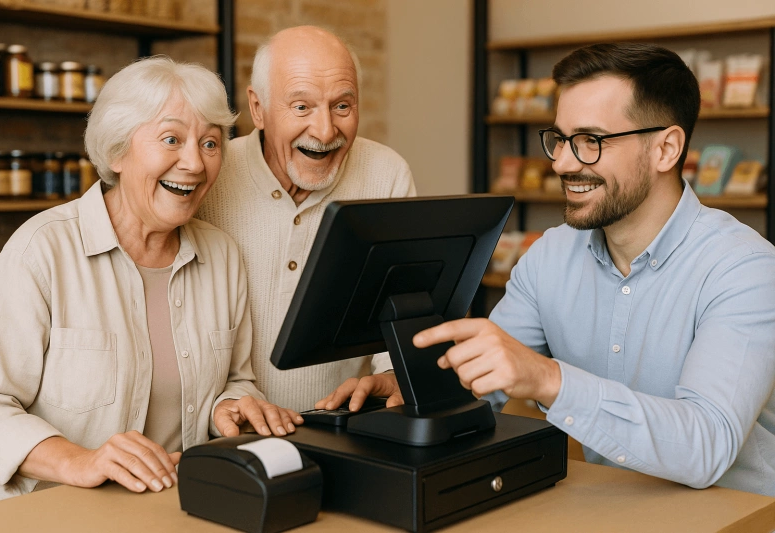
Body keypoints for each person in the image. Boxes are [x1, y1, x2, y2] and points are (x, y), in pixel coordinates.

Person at [414, 42, 775, 496]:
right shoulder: (550, 257)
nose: (562, 163)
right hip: (614, 506)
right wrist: (408, 388)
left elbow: (706, 444)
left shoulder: (745, 269)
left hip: (741, 518)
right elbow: (484, 385)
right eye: (561, 140)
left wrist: (549, 379)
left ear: (666, 149)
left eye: (591, 141)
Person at [0, 56, 302, 505]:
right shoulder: (42, 251)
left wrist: (231, 405)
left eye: (210, 143)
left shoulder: (222, 256)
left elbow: (234, 379)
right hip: (48, 511)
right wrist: (79, 461)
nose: (194, 162)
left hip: (173, 507)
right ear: (116, 151)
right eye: (171, 139)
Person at [198, 26, 416, 413]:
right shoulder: (210, 176)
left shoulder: (387, 174)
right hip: (226, 429)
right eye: (301, 107)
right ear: (258, 108)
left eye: (342, 106)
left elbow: (402, 302)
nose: (325, 130)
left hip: (343, 424)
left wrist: (396, 373)